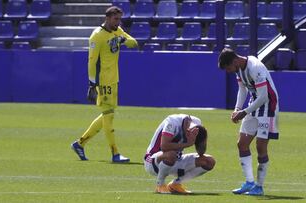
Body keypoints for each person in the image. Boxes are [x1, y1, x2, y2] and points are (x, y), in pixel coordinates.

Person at [71, 6, 138, 163]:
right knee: (109, 115)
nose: (118, 22)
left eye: (119, 19)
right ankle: (115, 154)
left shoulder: (117, 30)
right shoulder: (97, 36)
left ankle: (80, 143)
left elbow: (134, 43)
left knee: (107, 114)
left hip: (114, 79)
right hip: (103, 81)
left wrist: (123, 39)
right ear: (107, 18)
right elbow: (92, 61)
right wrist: (92, 84)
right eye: (115, 19)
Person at [218, 48, 279, 196]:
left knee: (260, 146)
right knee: (242, 144)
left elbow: (264, 96)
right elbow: (243, 89)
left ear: (234, 61)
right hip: (254, 104)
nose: (229, 71)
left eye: (228, 68)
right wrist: (237, 108)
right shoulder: (238, 68)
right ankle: (249, 182)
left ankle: (259, 187)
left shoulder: (255, 67)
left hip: (268, 107)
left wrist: (244, 112)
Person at [144, 114, 216, 194]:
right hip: (153, 161)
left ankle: (175, 185)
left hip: (175, 159)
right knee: (171, 154)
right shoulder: (172, 121)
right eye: (188, 132)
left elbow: (201, 152)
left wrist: (202, 139)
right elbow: (164, 146)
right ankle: (160, 184)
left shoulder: (197, 124)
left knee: (209, 161)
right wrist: (187, 144)